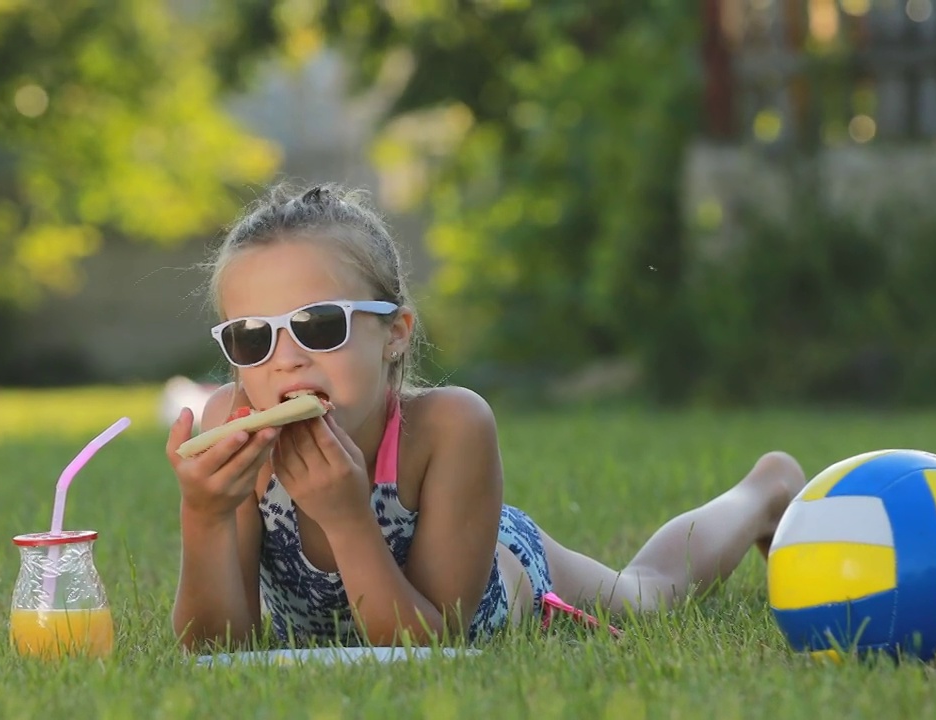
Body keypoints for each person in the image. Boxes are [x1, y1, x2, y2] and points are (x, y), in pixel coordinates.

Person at [165, 181, 808, 651]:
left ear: (395, 334)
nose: (286, 358)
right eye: (254, 337)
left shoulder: (448, 427)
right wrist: (207, 515)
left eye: (319, 325)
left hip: (491, 575)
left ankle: (766, 490)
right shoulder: (237, 430)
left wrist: (345, 515)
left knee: (646, 595)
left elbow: (430, 645)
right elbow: (217, 646)